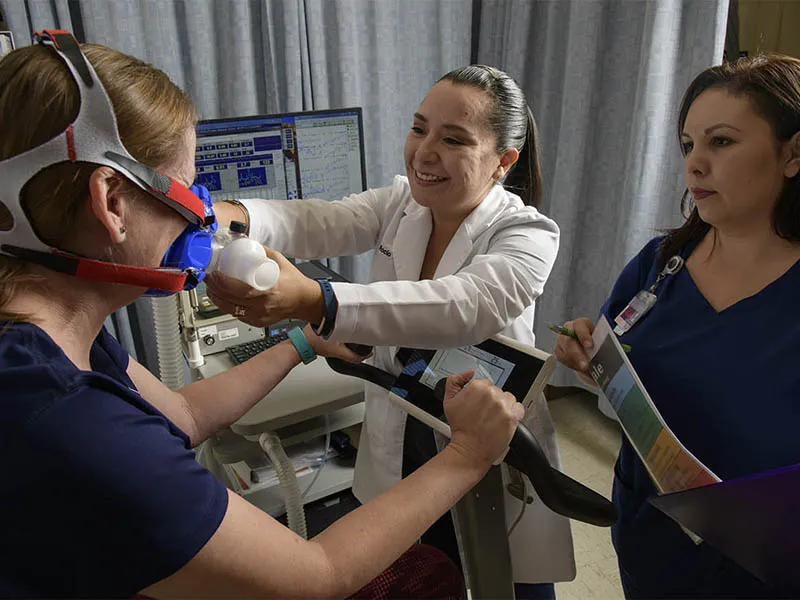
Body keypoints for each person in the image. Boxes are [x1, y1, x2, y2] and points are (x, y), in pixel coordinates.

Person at [0, 34, 526, 599]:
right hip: (443, 432)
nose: (198, 214)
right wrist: (470, 453)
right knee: (431, 573)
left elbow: (178, 413)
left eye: (452, 138)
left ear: (502, 162)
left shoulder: (50, 337)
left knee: (509, 568)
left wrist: (304, 336)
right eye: (190, 186)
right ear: (111, 204)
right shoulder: (71, 419)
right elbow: (314, 576)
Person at [208, 65, 573, 595]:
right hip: (403, 427)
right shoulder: (399, 204)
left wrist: (316, 299)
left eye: (453, 139)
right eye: (419, 127)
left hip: (481, 433)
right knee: (414, 569)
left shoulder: (527, 233)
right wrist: (228, 216)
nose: (425, 151)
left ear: (503, 161)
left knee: (501, 575)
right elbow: (314, 220)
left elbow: (463, 306)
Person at [554, 54, 800, 598]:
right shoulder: (660, 262)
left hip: (767, 566)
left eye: (722, 142)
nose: (695, 164)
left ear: (793, 153)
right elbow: (631, 371)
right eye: (689, 145)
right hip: (650, 534)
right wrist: (592, 361)